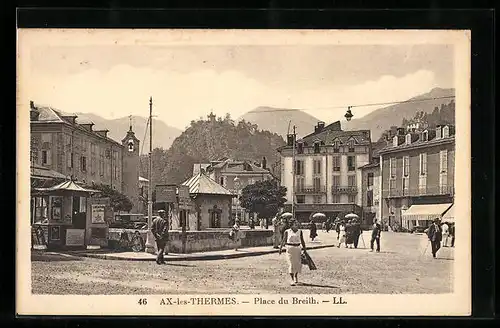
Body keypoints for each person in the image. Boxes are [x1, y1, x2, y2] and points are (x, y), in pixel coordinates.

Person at [279, 219, 307, 286]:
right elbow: (283, 240)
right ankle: (292, 279)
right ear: (291, 224)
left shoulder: (300, 231)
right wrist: (280, 248)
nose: (296, 224)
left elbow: (302, 240)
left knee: (297, 264)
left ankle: (295, 277)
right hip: (290, 249)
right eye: (295, 223)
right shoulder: (287, 231)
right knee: (291, 264)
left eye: (296, 223)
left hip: (298, 248)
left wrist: (305, 249)